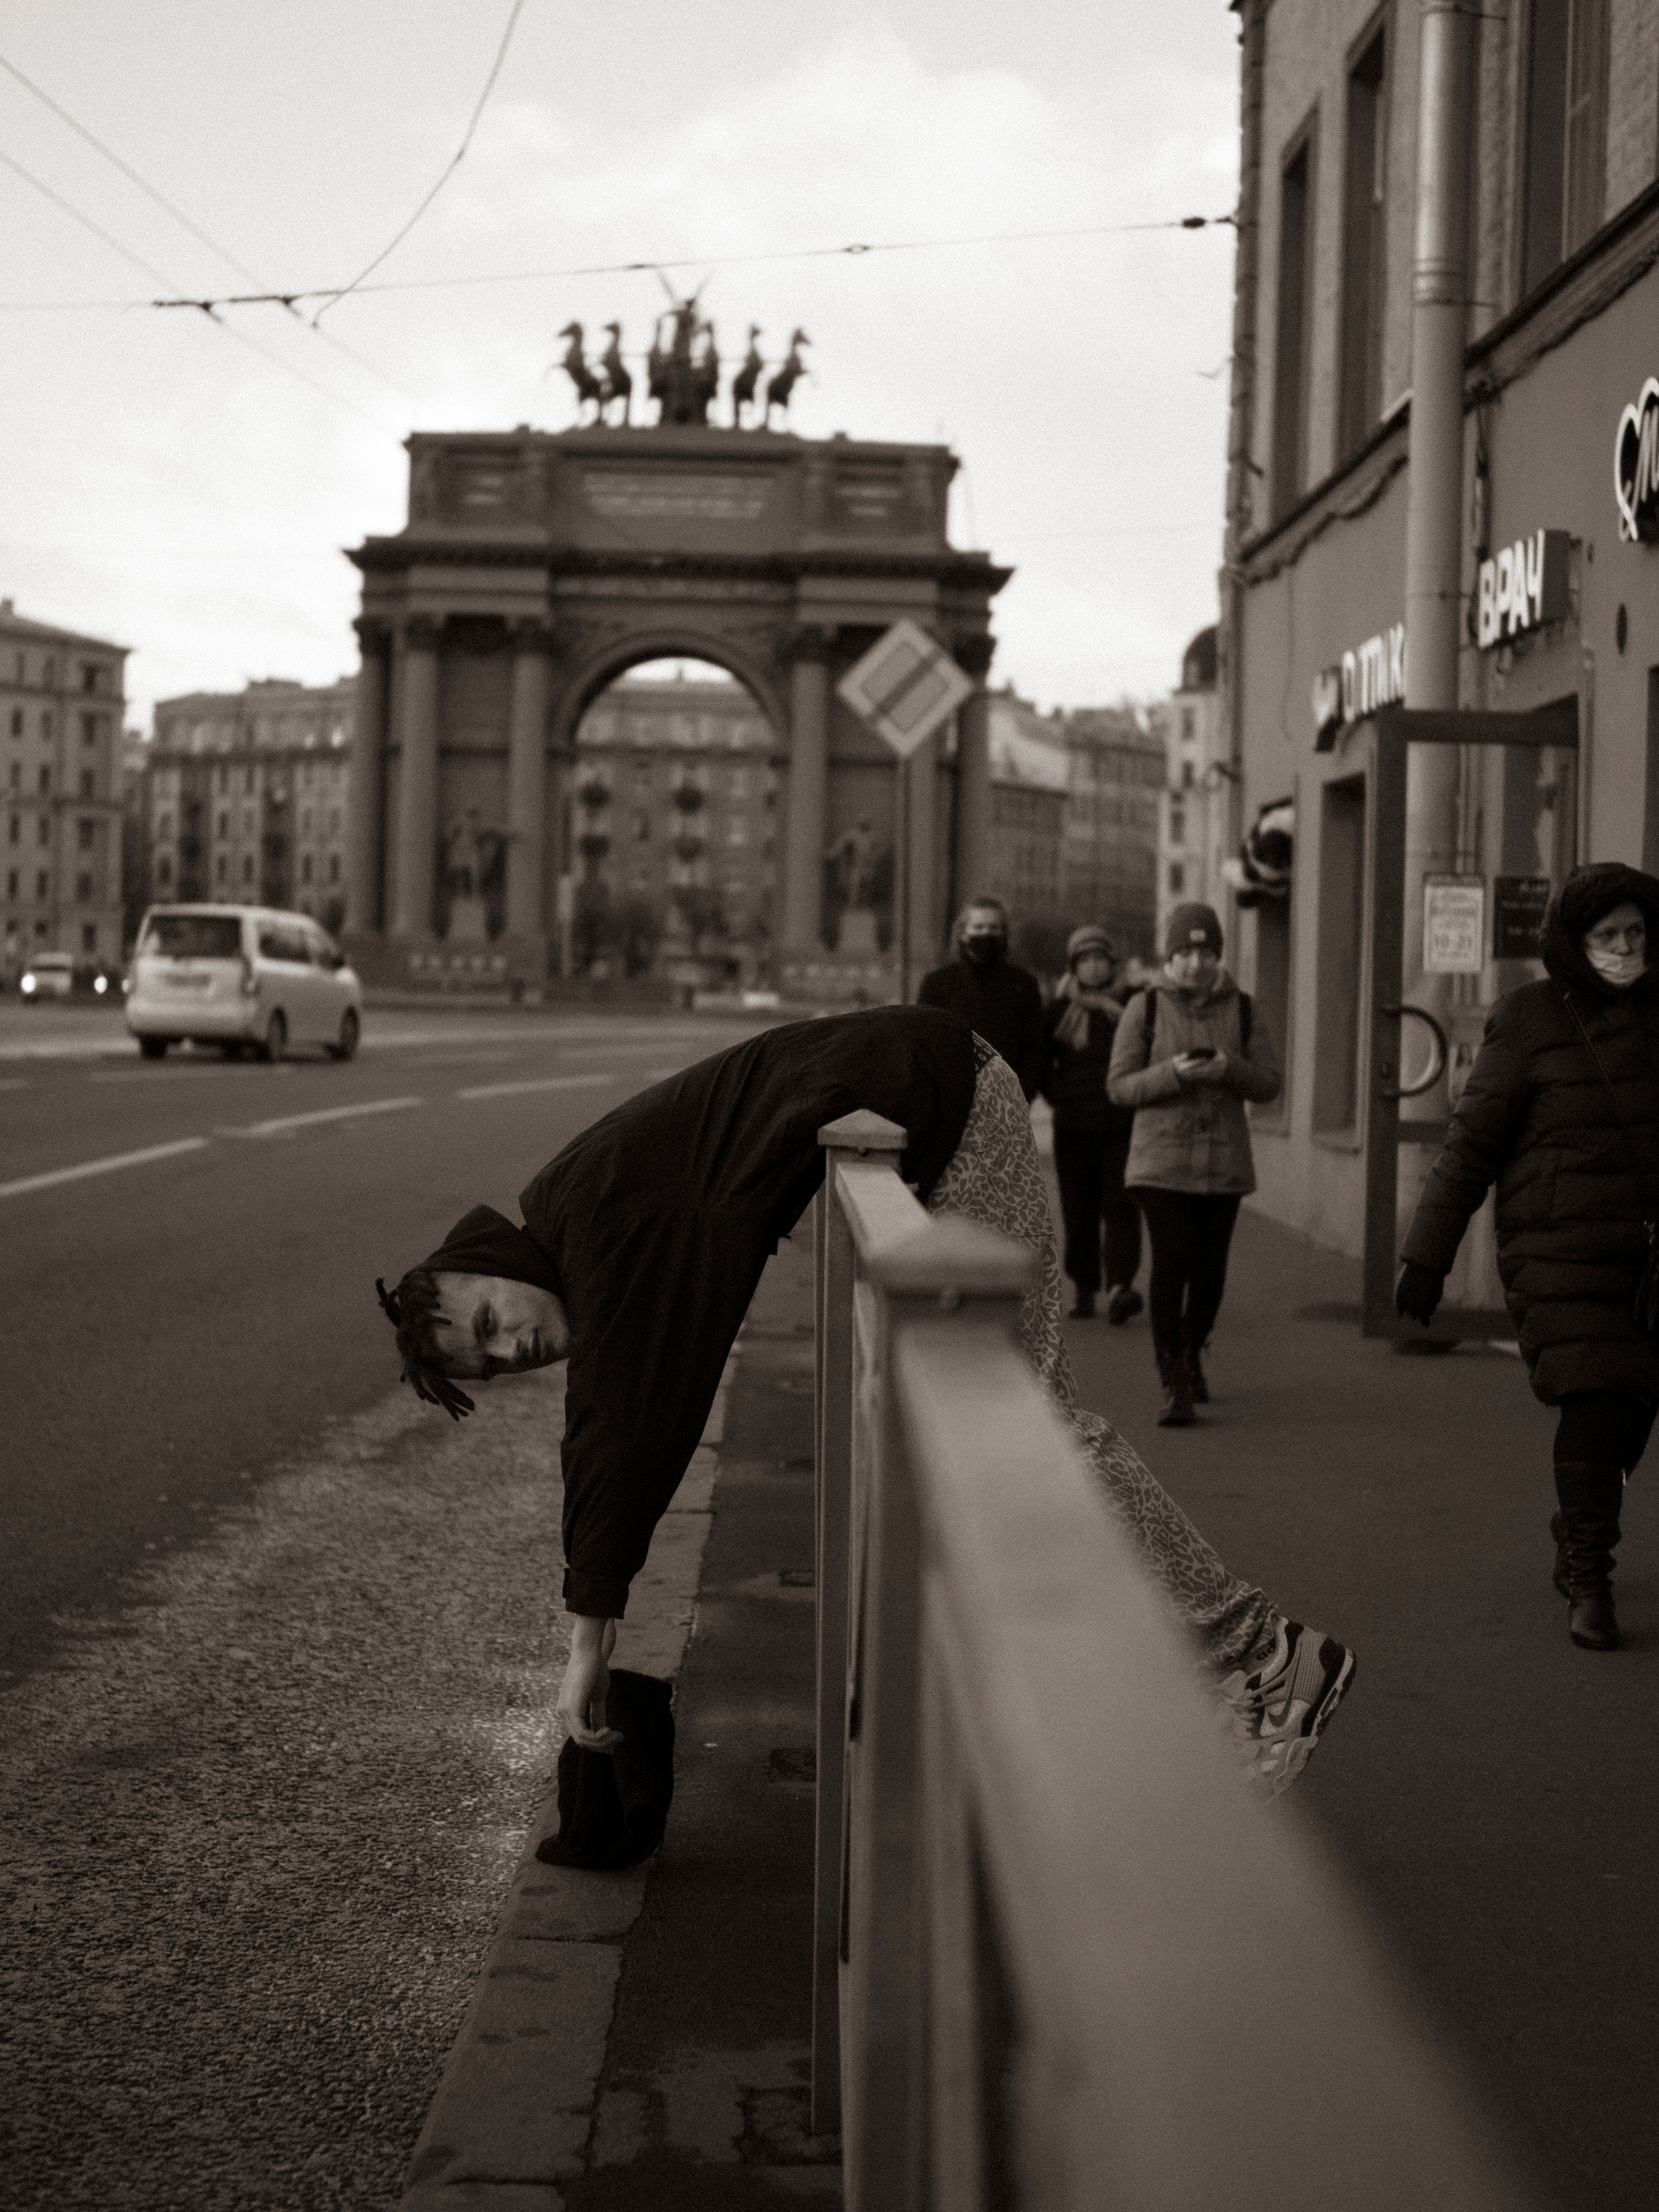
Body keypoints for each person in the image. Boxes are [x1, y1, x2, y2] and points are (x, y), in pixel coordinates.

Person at [377, 1005, 1353, 1795]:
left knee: (1026, 1425)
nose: (520, 1348)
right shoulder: (583, 1231)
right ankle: (1044, 1704)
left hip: (956, 1110)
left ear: (489, 1263)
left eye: (493, 1321)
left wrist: (589, 1634)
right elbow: (620, 1407)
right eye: (497, 1366)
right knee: (942, 1432)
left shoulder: (593, 1217)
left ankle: (1271, 1652)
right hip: (930, 1108)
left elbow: (621, 1423)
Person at [1397, 863, 1659, 1651]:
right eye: (1609, 935)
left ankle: (1575, 1519)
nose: (1624, 948)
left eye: (1637, 934)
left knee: (1632, 1412)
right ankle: (1589, 1575)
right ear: (1575, 942)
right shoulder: (1527, 1018)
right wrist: (1426, 1256)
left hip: (1645, 1258)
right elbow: (1470, 1142)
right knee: (1594, 1398)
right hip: (1557, 1249)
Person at [1108, 902, 1282, 1428]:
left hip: (1224, 1161)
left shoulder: (1245, 1008)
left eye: (1206, 951)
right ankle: (1173, 1379)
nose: (1196, 962)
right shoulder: (1146, 1008)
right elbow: (1119, 1086)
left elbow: (1270, 1084)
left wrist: (1231, 1069)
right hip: (1160, 1161)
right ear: (1171, 955)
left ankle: (1192, 1345)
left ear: (1219, 956)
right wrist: (1174, 1074)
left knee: (1209, 1275)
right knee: (1171, 1263)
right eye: (1186, 951)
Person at [1040, 924, 1144, 1323]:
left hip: (1122, 1124)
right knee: (1078, 1211)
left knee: (1121, 1207)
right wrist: (1058, 1097)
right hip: (1073, 1127)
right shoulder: (1058, 1010)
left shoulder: (1133, 1005)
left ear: (1112, 963)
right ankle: (1084, 1288)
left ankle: (1120, 1286)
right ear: (1074, 966)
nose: (1094, 967)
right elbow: (1042, 1062)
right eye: (1085, 960)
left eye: (1101, 958)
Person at [917, 896, 1046, 1102]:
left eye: (994, 928)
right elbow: (925, 1045)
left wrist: (1022, 1094)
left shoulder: (1024, 985)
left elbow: (1036, 1047)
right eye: (978, 927)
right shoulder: (937, 984)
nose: (986, 934)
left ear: (1003, 933)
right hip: (952, 1100)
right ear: (963, 933)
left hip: (1007, 1100)